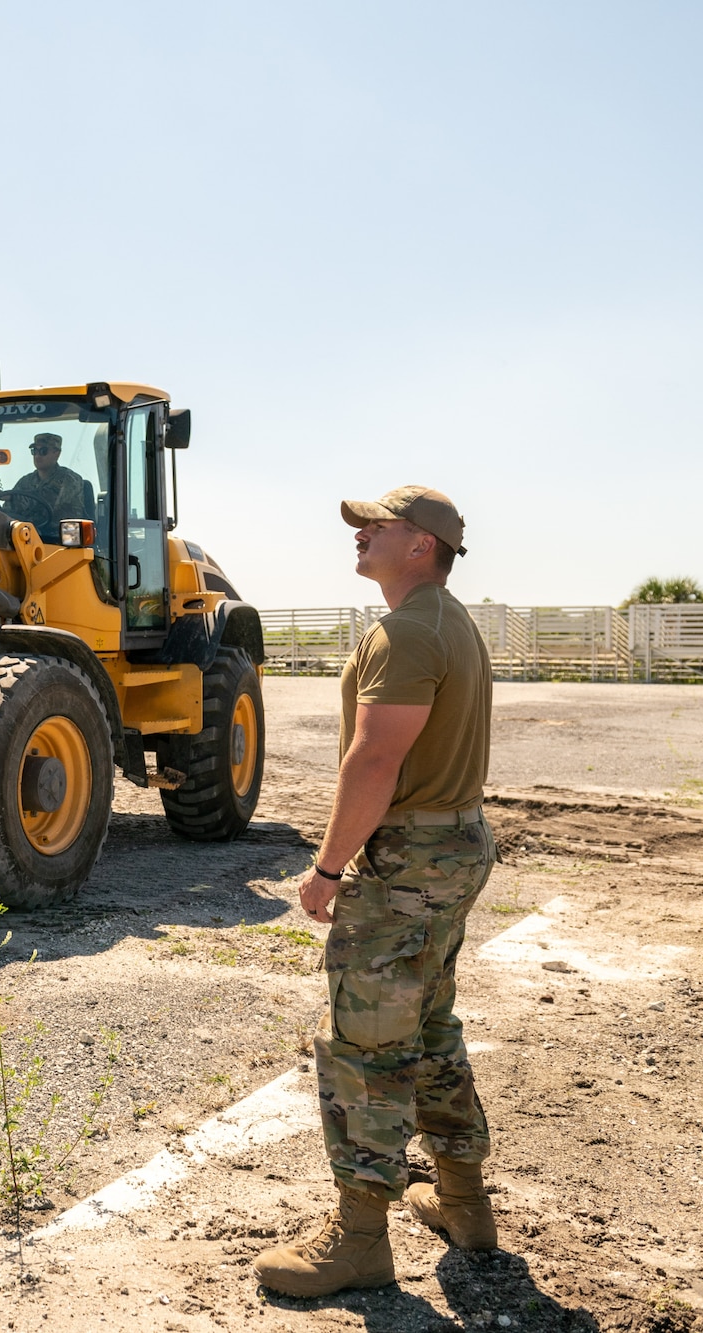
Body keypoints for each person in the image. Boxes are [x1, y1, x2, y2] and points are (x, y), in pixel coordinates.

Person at [252, 485, 498, 1299]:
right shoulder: (449, 621)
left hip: (409, 863)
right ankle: (462, 1201)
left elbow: (373, 761)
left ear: (421, 543)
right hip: (453, 845)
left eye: (376, 526)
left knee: (367, 1044)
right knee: (429, 1024)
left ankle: (359, 1240)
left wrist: (326, 870)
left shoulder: (406, 631)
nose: (359, 535)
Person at [5, 432, 89, 529]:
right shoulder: (26, 481)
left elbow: (46, 503)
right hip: (28, 536)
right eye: (34, 451)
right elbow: (10, 510)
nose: (37, 456)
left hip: (61, 537)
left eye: (43, 451)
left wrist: (12, 497)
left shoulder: (69, 479)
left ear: (56, 453)